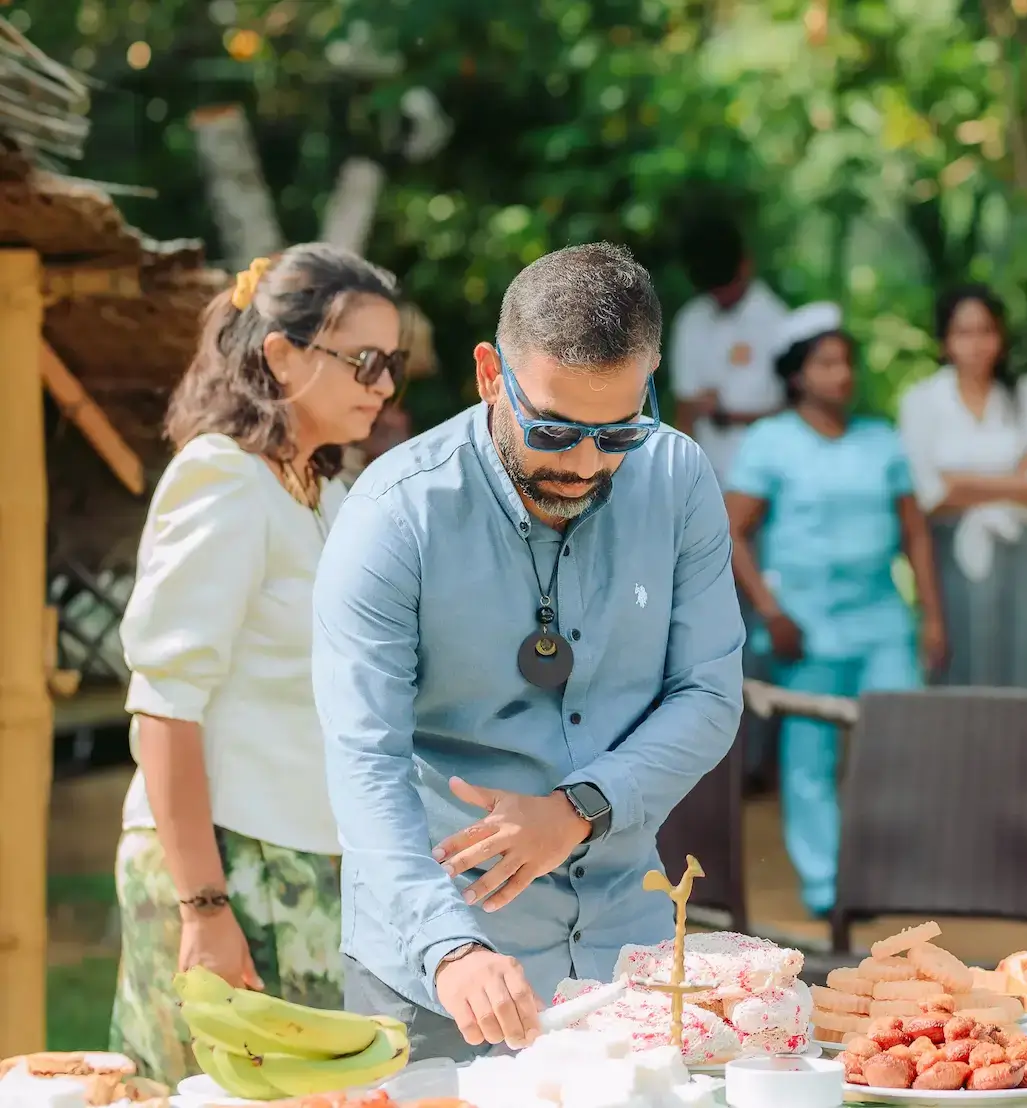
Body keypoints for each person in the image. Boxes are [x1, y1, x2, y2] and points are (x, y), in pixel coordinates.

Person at [314, 243, 744, 1059]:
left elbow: (708, 693)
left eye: (619, 430)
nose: (585, 464)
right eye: (555, 429)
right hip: (443, 970)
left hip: (633, 960)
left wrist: (578, 810)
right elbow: (363, 759)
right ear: (488, 373)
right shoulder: (393, 517)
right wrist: (451, 947)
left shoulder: (678, 478)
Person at [112, 245, 403, 1082]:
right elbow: (164, 704)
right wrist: (203, 905)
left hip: (300, 862)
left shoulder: (322, 495)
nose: (384, 385)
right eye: (364, 361)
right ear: (280, 354)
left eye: (394, 364)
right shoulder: (223, 478)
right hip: (224, 864)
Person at [724, 303, 947, 918]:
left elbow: (916, 534)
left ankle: (890, 875)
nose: (841, 374)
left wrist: (932, 616)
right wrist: (771, 613)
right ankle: (827, 891)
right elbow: (731, 530)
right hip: (807, 629)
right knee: (810, 762)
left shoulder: (880, 439)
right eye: (826, 363)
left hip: (882, 624)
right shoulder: (771, 441)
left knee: (898, 750)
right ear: (798, 375)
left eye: (846, 362)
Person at [896, 286, 1027, 688]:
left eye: (986, 331)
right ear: (945, 341)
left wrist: (961, 482)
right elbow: (928, 495)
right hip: (947, 556)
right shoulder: (921, 400)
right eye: (963, 333)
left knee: (1022, 658)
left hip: (1021, 553)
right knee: (958, 662)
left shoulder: (1026, 395)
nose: (976, 345)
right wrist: (1014, 479)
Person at [667, 215, 791, 485]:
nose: (720, 297)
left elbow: (794, 409)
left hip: (767, 473)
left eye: (726, 287)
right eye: (713, 290)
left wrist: (728, 414)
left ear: (746, 264)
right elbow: (684, 411)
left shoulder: (778, 322)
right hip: (707, 472)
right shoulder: (692, 321)